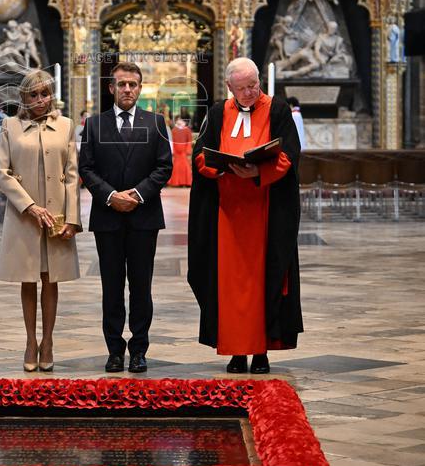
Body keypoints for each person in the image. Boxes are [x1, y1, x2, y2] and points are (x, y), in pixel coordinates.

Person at [187, 57, 302, 375]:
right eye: (243, 88)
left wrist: (257, 170)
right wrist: (218, 166)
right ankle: (236, 352)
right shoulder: (217, 112)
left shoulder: (277, 109)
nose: (251, 92)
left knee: (264, 282)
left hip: (265, 213)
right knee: (230, 286)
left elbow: (290, 154)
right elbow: (200, 154)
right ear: (229, 88)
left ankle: (261, 350)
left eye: (254, 85)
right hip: (226, 215)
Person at [78, 63, 173, 374]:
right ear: (111, 88)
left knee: (141, 286)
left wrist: (137, 194)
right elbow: (86, 168)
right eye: (122, 85)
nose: (128, 89)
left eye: (133, 84)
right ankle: (115, 350)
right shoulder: (94, 125)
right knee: (112, 285)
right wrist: (110, 196)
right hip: (107, 217)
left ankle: (139, 349)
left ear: (140, 88)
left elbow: (164, 166)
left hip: (144, 216)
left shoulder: (156, 123)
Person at [0, 68, 81, 372]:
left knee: (50, 279)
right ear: (24, 97)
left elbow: (71, 174)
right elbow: (1, 172)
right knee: (28, 279)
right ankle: (30, 341)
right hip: (24, 217)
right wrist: (29, 206)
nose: (41, 99)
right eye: (35, 94)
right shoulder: (10, 126)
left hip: (56, 216)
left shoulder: (66, 125)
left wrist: (72, 219)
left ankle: (48, 341)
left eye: (46, 93)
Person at [168, 116, 193, 187]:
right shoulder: (174, 130)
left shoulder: (187, 130)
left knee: (185, 166)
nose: (179, 121)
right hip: (176, 151)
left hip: (184, 151)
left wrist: (188, 150)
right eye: (178, 120)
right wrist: (173, 150)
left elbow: (189, 140)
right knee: (176, 166)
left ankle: (186, 182)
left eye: (180, 120)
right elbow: (172, 141)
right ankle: (177, 182)